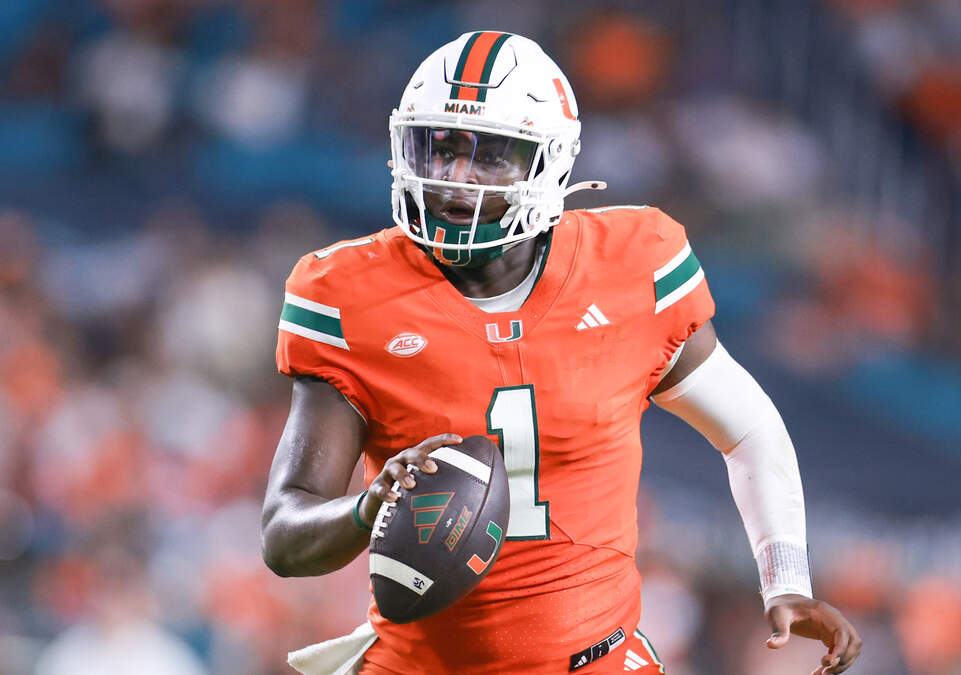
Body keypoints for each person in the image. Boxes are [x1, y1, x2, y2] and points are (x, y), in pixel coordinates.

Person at [260, 31, 861, 675]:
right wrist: (366, 509)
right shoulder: (349, 294)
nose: (456, 179)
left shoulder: (632, 265)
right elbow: (284, 537)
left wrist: (785, 578)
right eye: (441, 148)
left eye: (490, 156)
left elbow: (748, 429)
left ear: (549, 164)